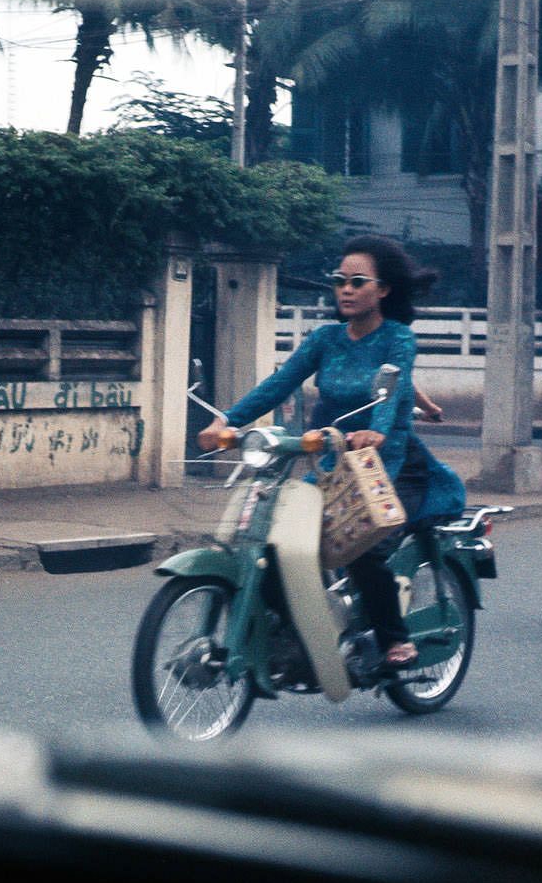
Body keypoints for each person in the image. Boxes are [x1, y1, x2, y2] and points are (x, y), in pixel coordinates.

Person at [197, 235, 465, 667]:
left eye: (358, 281)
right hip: (331, 464)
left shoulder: (398, 338)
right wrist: (227, 421)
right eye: (340, 280)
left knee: (363, 547)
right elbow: (278, 384)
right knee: (271, 542)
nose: (346, 288)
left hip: (388, 464)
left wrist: (375, 432)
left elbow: (393, 387)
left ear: (382, 290)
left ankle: (394, 637)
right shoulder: (325, 339)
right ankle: (299, 632)